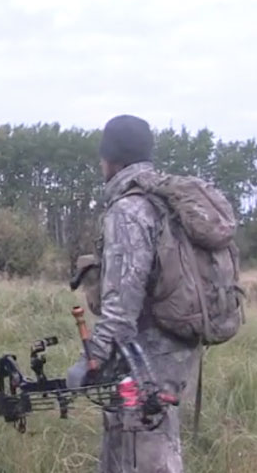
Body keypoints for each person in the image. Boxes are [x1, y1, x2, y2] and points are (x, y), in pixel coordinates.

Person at [67, 114, 201, 473]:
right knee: (148, 443)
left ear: (113, 159)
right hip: (174, 349)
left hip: (146, 355)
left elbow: (122, 305)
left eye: (102, 156)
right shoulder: (164, 201)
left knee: (143, 453)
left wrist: (90, 359)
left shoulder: (129, 210)